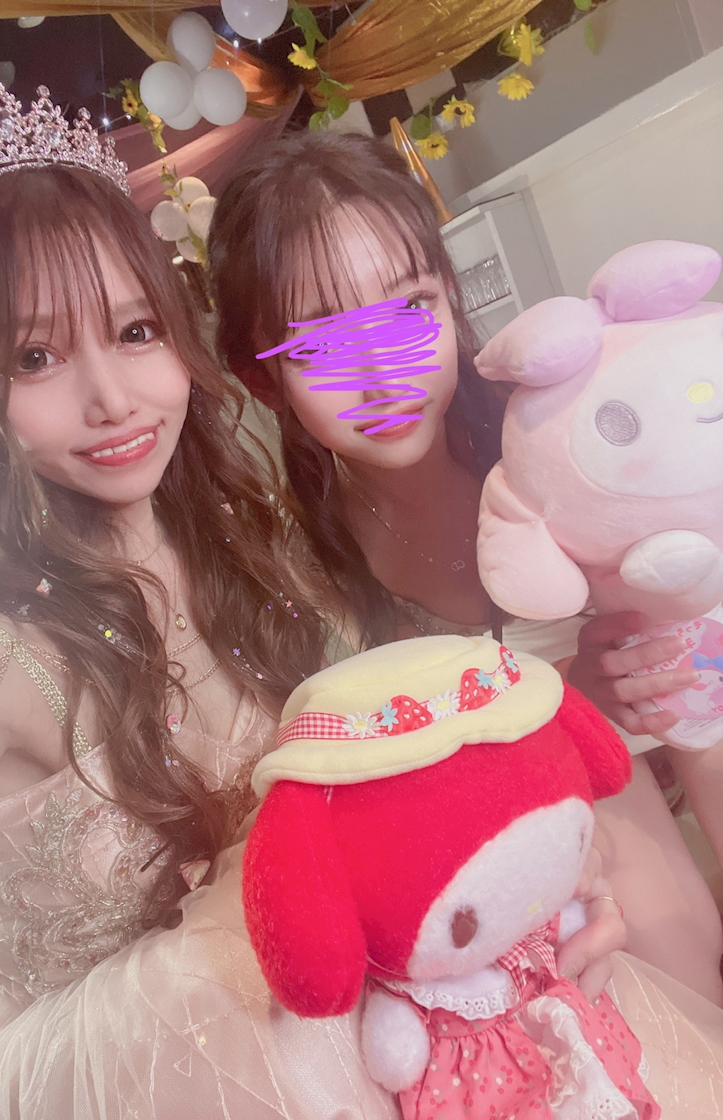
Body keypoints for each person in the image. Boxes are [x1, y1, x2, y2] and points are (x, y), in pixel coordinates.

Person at [0, 80, 701, 1120]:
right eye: (33, 357)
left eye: (134, 331)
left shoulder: (267, 555)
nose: (112, 399)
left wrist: (530, 896)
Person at [208, 128, 723, 1004]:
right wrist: (561, 706)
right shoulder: (295, 588)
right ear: (262, 379)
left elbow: (703, 661)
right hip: (532, 920)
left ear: (449, 294)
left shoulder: (564, 448)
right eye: (323, 344)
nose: (383, 370)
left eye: (409, 307)